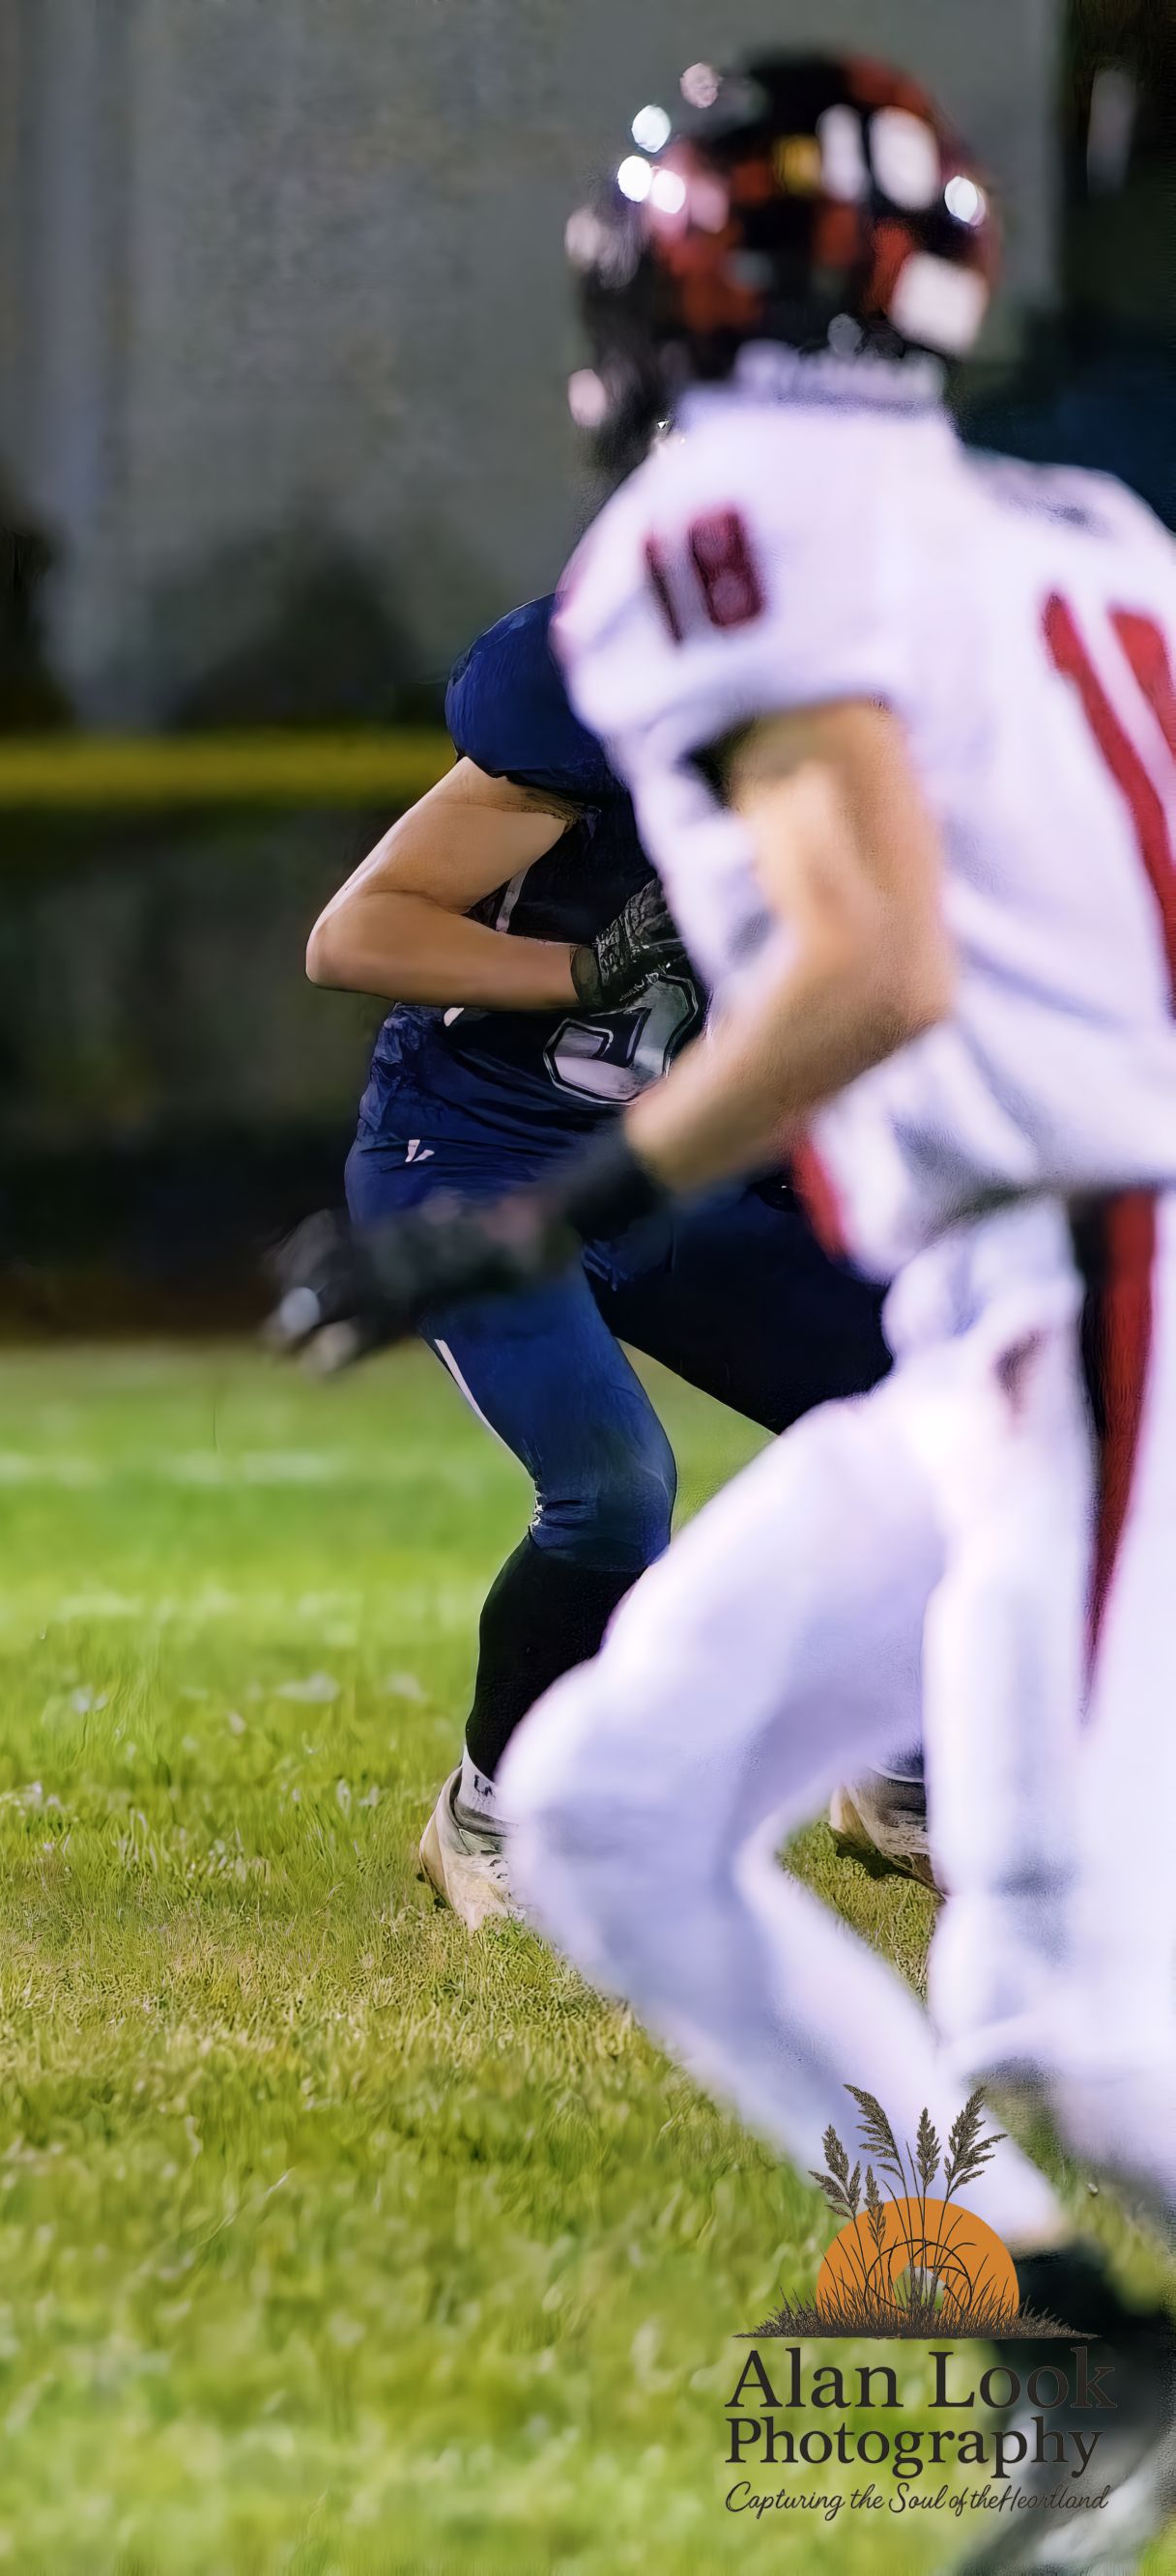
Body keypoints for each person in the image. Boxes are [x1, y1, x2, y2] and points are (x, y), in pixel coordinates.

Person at [275, 56, 1176, 2561]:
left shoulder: (729, 520)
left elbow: (870, 949)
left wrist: (533, 1215)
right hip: (1030, 1297)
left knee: (1068, 2008)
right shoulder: (1082, 526)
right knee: (610, 1808)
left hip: (1109, 1270)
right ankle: (1049, 2404)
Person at [303, 603, 902, 1927]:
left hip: (672, 1161)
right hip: (471, 1158)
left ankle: (896, 1754)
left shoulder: (872, 735)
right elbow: (352, 933)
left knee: (945, 1411)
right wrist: (577, 966)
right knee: (613, 1489)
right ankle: (488, 1804)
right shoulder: (591, 724)